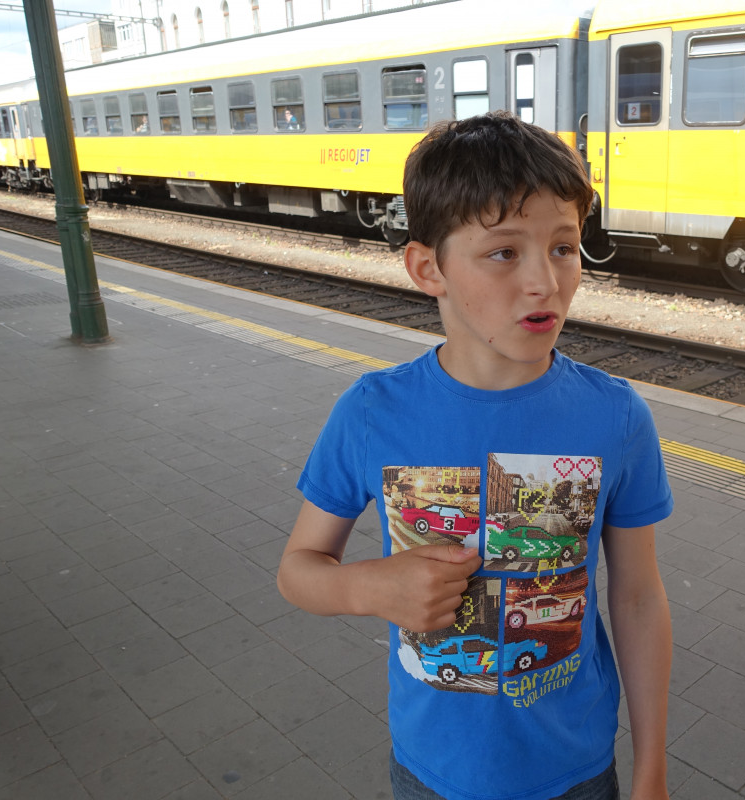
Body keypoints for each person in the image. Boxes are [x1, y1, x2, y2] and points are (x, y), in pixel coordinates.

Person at [277, 111, 674, 799]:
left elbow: (638, 597)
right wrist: (369, 587)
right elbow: (298, 569)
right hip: (431, 774)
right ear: (427, 267)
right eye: (504, 253)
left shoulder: (615, 417)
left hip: (578, 772)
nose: (545, 282)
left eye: (564, 247)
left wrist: (651, 770)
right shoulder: (372, 413)